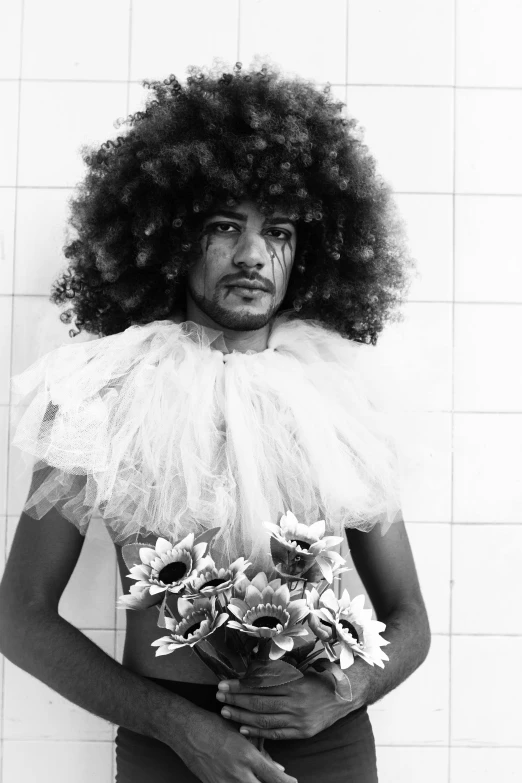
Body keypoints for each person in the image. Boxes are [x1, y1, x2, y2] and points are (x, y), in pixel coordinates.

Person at [0, 62, 430, 783]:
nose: (255, 254)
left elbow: (409, 614)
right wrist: (178, 726)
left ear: (310, 252)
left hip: (329, 741)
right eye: (225, 226)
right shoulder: (100, 392)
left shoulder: (340, 396)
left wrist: (342, 691)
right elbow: (19, 614)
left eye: (281, 231)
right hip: (167, 745)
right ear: (171, 235)